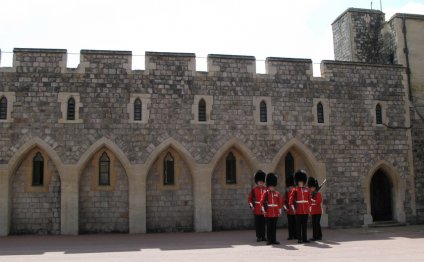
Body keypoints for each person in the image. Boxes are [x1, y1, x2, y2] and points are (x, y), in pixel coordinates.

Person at [289, 170, 311, 244]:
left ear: (303, 182)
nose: (300, 183)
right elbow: (291, 201)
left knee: (304, 226)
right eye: (299, 182)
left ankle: (304, 238)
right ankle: (299, 239)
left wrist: (309, 208)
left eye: (302, 182)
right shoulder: (295, 190)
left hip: (305, 210)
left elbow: (309, 200)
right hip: (298, 210)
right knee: (298, 226)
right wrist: (294, 209)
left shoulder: (307, 190)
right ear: (297, 182)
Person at [260, 172, 282, 245]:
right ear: (268, 186)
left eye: (273, 186)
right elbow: (261, 202)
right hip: (268, 212)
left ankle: (274, 240)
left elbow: (279, 203)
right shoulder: (265, 193)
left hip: (275, 212)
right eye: (270, 186)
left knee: (274, 227)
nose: (272, 187)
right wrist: (263, 211)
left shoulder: (277, 193)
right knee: (269, 227)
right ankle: (269, 240)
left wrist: (279, 211)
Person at [247, 170, 267, 242]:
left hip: (264, 209)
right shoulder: (254, 190)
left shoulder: (266, 189)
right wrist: (252, 206)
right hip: (257, 209)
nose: (260, 183)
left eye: (262, 181)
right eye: (259, 181)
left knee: (264, 224)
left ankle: (263, 236)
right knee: (258, 224)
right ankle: (258, 236)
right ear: (257, 182)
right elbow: (249, 199)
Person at [282, 174, 296, 240]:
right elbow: (283, 201)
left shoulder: (296, 192)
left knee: (296, 224)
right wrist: (285, 208)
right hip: (289, 211)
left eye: (292, 186)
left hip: (296, 211)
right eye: (290, 186)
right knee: (290, 224)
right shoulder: (287, 193)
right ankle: (290, 235)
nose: (291, 188)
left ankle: (296, 235)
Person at [308, 177, 323, 241]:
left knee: (317, 224)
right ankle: (314, 236)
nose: (312, 189)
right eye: (311, 187)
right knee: (314, 224)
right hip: (313, 211)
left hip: (318, 211)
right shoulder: (311, 194)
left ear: (315, 187)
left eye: (313, 187)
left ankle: (319, 236)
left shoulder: (318, 194)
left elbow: (319, 201)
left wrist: (312, 200)